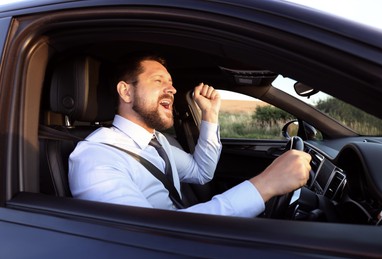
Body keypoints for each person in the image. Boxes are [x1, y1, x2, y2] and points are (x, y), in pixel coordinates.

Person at [68, 53, 311, 218]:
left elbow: (201, 173)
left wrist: (210, 115)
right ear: (126, 91)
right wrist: (264, 185)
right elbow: (149, 237)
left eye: (171, 82)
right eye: (158, 80)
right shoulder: (96, 157)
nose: (172, 89)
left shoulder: (158, 142)